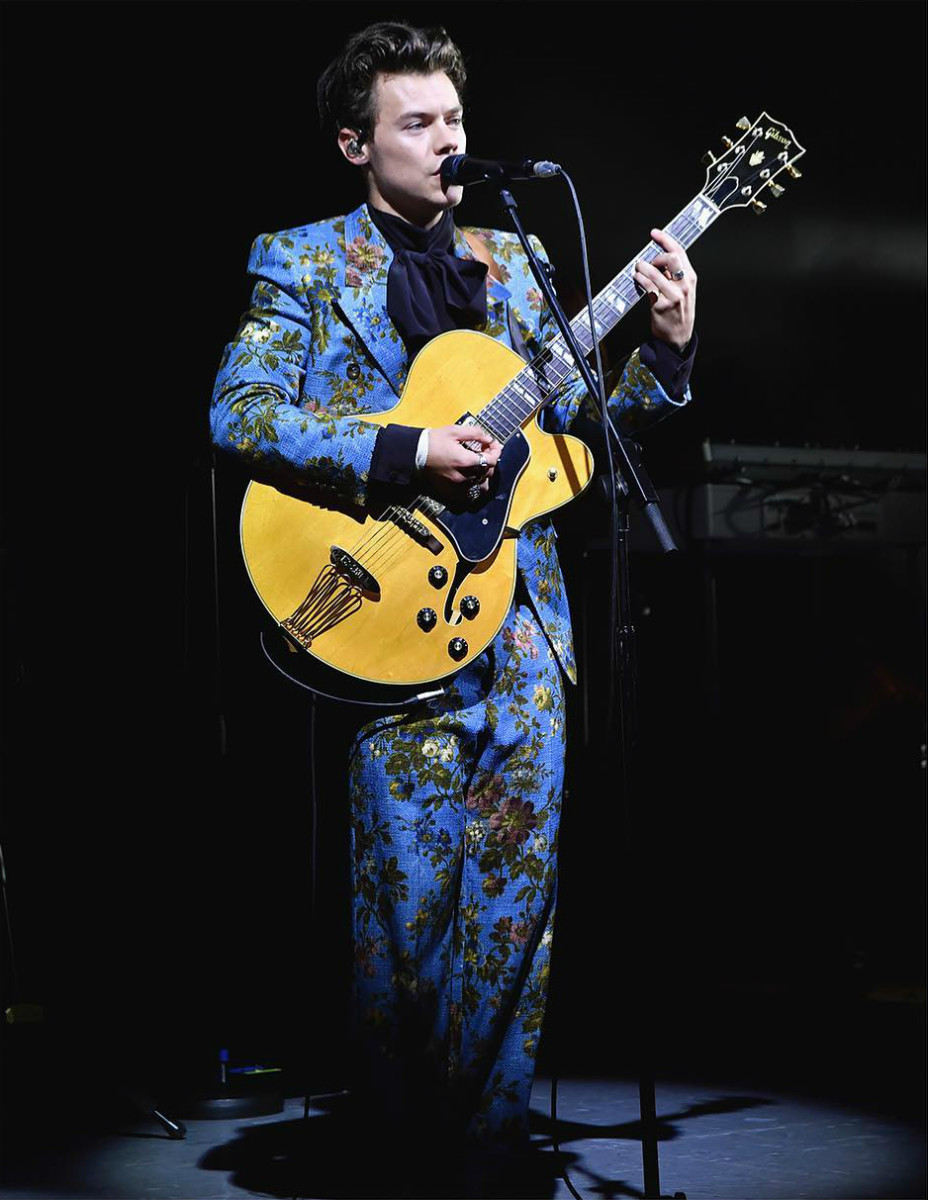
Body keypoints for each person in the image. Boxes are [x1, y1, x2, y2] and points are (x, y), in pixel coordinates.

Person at [210, 20, 696, 1196]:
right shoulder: (303, 262)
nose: (446, 140)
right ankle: (394, 1156)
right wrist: (407, 448)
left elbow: (583, 441)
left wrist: (666, 356)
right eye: (416, 122)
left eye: (455, 120)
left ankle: (485, 1159)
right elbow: (240, 412)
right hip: (394, 620)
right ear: (353, 142)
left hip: (522, 625)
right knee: (407, 918)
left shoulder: (516, 260)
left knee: (514, 915)